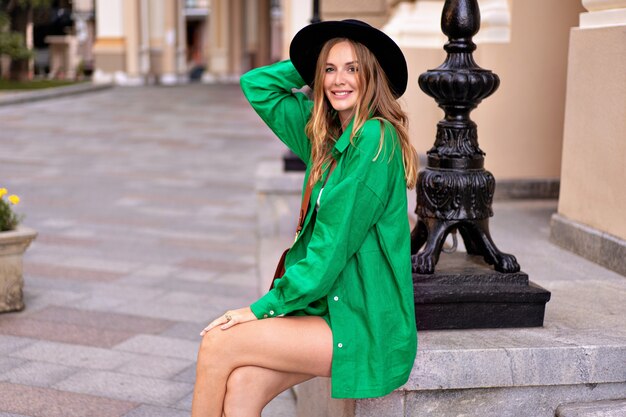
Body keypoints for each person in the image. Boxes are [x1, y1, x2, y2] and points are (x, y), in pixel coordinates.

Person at [191, 19, 418, 417]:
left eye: (352, 68)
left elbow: (330, 249)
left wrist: (262, 308)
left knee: (217, 343)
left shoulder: (374, 141)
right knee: (243, 384)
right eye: (329, 69)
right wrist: (312, 60)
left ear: (371, 76)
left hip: (361, 323)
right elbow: (258, 86)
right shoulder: (324, 135)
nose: (338, 80)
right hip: (327, 310)